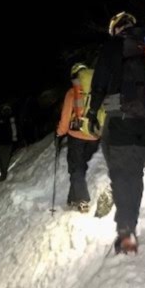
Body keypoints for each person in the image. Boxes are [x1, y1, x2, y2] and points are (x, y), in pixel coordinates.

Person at [86, 11, 145, 254]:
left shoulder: (113, 47)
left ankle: (125, 232)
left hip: (119, 118)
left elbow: (99, 81)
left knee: (121, 174)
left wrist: (92, 113)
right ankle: (129, 224)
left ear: (115, 29)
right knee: (134, 173)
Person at [56, 63, 102, 212]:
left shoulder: (72, 92)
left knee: (76, 167)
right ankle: (72, 198)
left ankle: (82, 199)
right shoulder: (97, 89)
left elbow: (65, 116)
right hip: (94, 135)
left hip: (76, 135)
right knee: (79, 167)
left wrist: (60, 132)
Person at [0, 104, 18, 181]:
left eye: (8, 110)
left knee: (5, 159)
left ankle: (3, 175)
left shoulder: (11, 119)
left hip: (8, 142)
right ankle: (3, 174)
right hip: (1, 143)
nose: (7, 111)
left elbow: (14, 128)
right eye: (5, 110)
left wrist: (14, 138)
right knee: (3, 159)